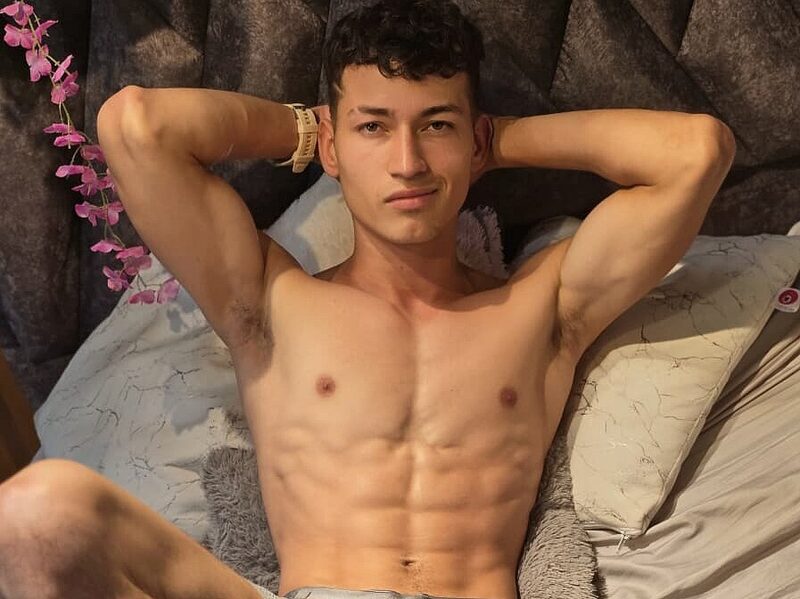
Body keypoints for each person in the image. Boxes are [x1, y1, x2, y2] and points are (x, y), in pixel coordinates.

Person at [0, 0, 735, 597]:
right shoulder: (270, 301)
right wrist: (308, 129)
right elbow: (135, 126)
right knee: (37, 512)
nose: (408, 163)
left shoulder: (540, 308)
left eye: (436, 126)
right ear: (332, 145)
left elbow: (696, 152)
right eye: (374, 127)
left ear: (472, 141)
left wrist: (495, 141)